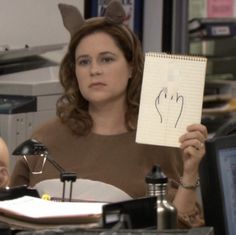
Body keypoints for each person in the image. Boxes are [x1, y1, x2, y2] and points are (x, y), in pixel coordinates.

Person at [10, 0, 208, 228]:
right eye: (84, 62)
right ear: (74, 71)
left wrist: (191, 173)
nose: (94, 70)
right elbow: (12, 217)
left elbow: (178, 226)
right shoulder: (44, 139)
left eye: (107, 59)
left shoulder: (161, 139)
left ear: (132, 67)